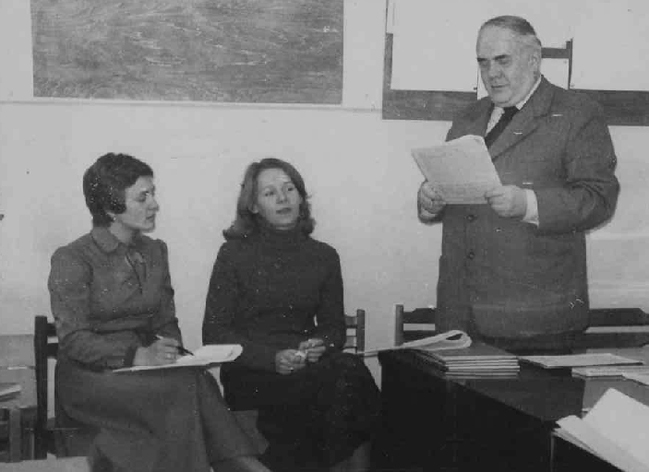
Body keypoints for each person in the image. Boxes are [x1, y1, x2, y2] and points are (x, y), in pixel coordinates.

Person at [48, 153, 271, 472]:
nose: (155, 204)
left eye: (153, 194)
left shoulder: (154, 251)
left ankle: (239, 464)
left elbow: (165, 321)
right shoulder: (73, 257)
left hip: (145, 371)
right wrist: (135, 355)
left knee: (196, 378)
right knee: (183, 389)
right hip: (90, 378)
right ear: (111, 207)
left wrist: (174, 351)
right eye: (143, 197)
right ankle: (242, 464)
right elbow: (73, 340)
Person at [416, 15, 620, 351]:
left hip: (536, 320)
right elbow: (450, 190)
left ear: (534, 59)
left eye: (502, 60)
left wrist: (528, 204)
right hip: (460, 316)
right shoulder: (468, 117)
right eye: (483, 62)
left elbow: (599, 199)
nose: (491, 73)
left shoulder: (577, 113)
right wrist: (429, 201)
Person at [202, 157, 380, 472]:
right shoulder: (233, 254)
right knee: (346, 382)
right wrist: (271, 359)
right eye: (269, 193)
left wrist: (320, 344)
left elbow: (333, 328)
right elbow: (214, 333)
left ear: (301, 197)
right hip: (253, 373)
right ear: (253, 206)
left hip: (307, 367)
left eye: (289, 189)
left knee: (348, 374)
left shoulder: (324, 256)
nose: (283, 198)